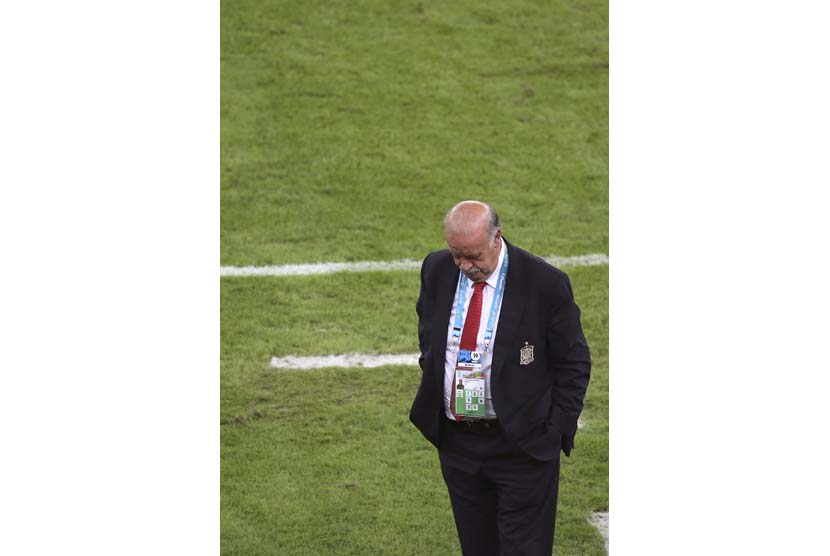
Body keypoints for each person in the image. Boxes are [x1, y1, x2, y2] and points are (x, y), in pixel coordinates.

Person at [409, 200, 591, 556]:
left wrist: (555, 430)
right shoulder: (436, 268)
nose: (465, 266)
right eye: (456, 255)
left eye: (473, 256)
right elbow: (429, 335)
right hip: (458, 443)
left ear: (497, 238)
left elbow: (574, 363)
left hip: (521, 445)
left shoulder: (544, 283)